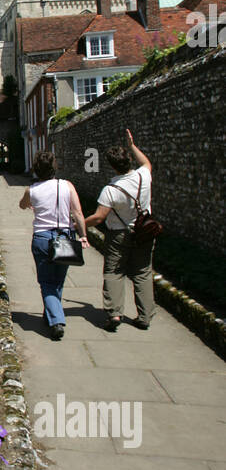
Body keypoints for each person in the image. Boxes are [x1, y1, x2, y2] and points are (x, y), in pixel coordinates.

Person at [84, 129, 154, 331]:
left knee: (114, 272)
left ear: (113, 167)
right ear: (129, 161)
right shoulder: (143, 177)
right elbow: (147, 163)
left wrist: (78, 225)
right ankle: (145, 316)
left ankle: (114, 314)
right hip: (145, 231)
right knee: (142, 272)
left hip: (118, 235)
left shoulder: (111, 190)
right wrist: (132, 145)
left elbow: (99, 217)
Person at [19, 149, 89, 340]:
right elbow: (78, 213)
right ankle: (52, 313)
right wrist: (83, 236)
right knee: (57, 281)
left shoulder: (32, 190)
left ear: (35, 169)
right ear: (54, 167)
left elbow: (22, 205)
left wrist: (31, 204)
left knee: (47, 282)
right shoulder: (67, 186)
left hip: (42, 239)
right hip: (64, 237)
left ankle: (56, 321)